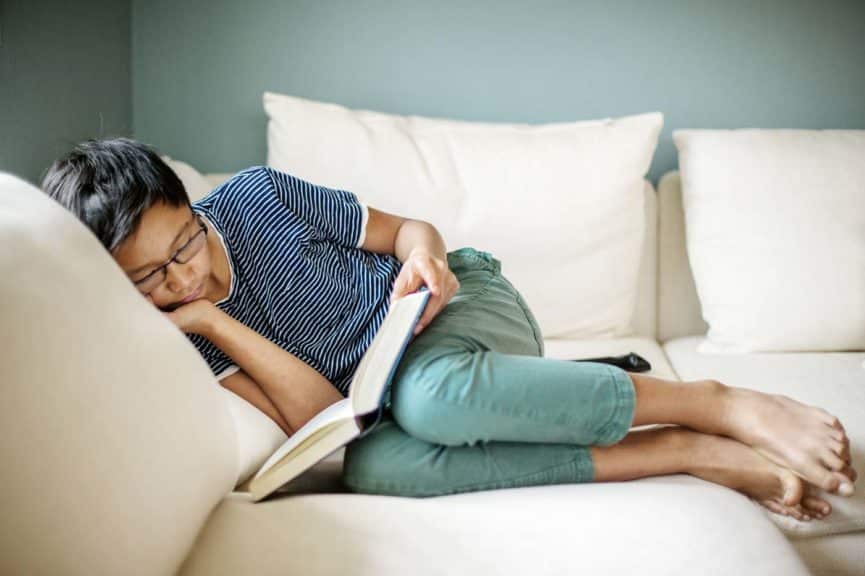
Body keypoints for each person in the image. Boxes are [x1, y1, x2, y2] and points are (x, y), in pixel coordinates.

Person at [41, 137, 856, 522]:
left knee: (433, 396)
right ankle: (682, 449)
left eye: (183, 244)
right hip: (398, 398)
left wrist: (425, 266)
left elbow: (410, 232)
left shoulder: (256, 198)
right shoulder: (179, 332)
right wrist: (212, 320)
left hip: (459, 312)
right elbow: (320, 409)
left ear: (190, 203)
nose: (183, 277)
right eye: (150, 277)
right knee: (379, 469)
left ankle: (712, 401)